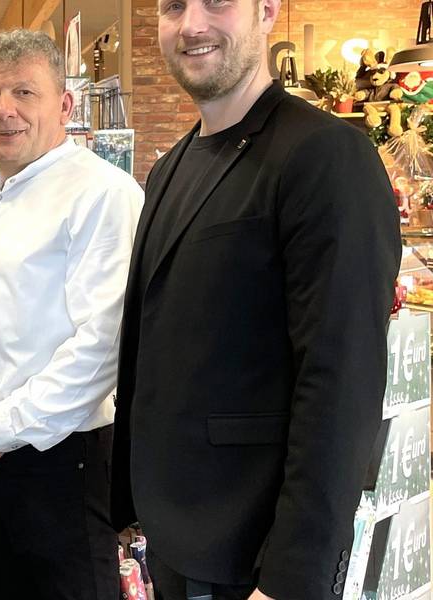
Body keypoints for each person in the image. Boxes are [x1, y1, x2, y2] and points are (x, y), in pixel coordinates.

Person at [109, 0, 401, 597]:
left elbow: (342, 382)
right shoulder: (169, 170)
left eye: (217, 1)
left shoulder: (324, 154)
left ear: (267, 10)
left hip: (254, 554)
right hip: (176, 538)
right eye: (172, 6)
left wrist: (293, 575)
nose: (192, 24)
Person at [0, 29, 143, 599]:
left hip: (58, 461)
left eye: (25, 92)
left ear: (65, 105)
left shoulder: (101, 193)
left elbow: (103, 343)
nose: (4, 110)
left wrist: (0, 428)